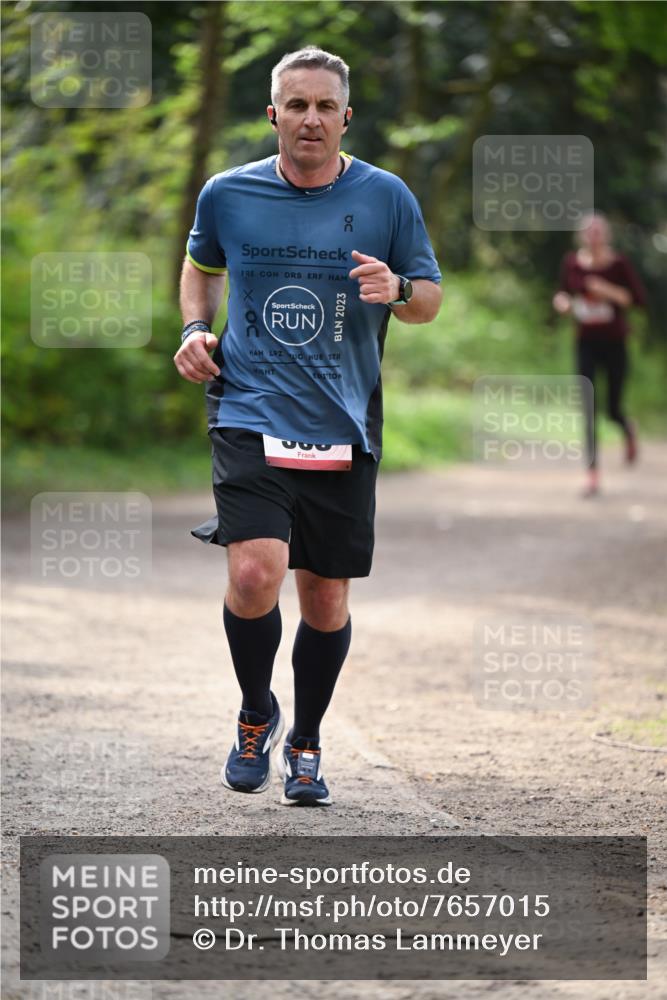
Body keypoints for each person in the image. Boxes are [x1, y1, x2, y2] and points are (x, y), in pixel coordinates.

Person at [173, 47, 442, 805]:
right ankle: (256, 713)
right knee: (255, 571)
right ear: (273, 115)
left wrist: (395, 290)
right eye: (296, 106)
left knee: (324, 599)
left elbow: (428, 300)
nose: (311, 120)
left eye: (325, 106)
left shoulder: (387, 197)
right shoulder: (228, 193)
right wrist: (196, 330)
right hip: (247, 407)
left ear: (345, 116)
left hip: (342, 418)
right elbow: (201, 263)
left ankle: (307, 740)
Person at [553, 213, 646, 497]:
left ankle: (626, 427)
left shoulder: (619, 264)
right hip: (586, 343)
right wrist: (563, 303)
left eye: (598, 232)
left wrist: (605, 290)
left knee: (612, 408)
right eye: (588, 232)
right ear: (581, 236)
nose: (593, 237)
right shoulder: (572, 263)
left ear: (606, 235)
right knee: (588, 408)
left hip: (615, 343)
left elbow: (636, 299)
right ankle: (592, 475)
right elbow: (561, 294)